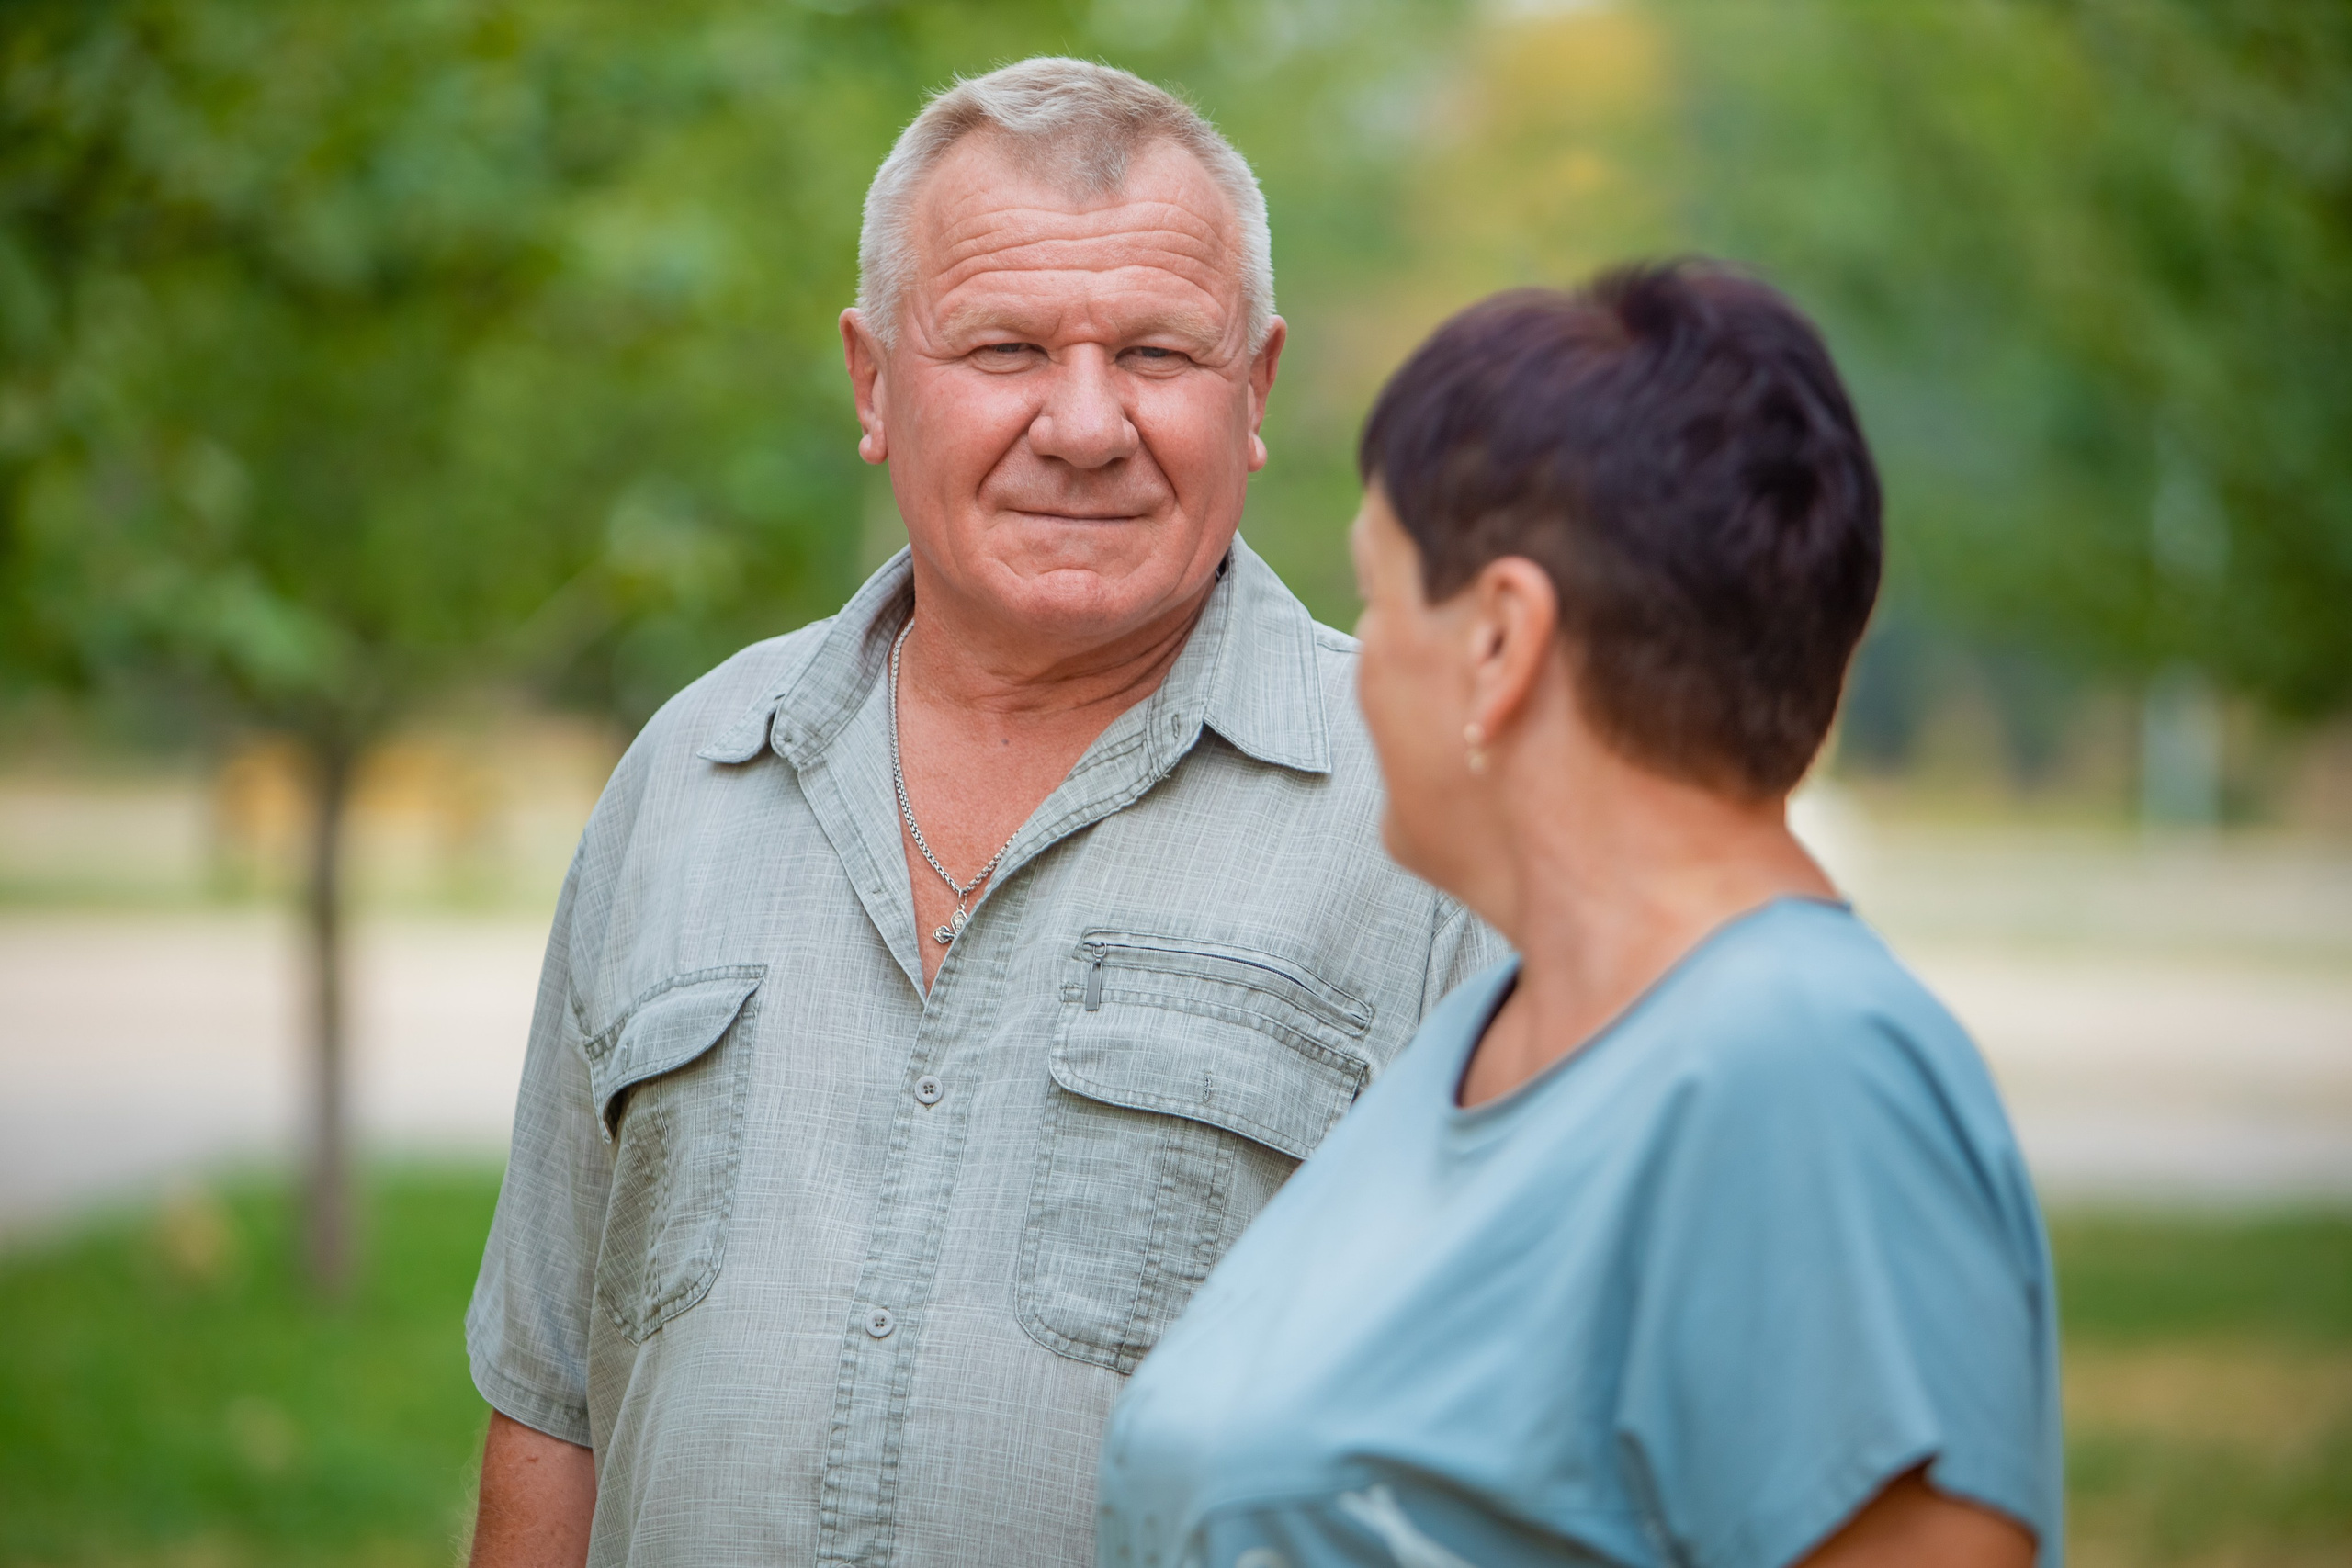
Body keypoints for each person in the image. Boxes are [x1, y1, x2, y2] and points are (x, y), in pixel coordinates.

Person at [462, 57, 1503, 1568]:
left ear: (1257, 391)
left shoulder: (1441, 821)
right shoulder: (686, 777)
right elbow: (553, 1400)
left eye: (1156, 352)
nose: (1085, 425)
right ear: (874, 381)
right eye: (1007, 347)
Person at [1098, 265, 2064, 1568]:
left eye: (1379, 600)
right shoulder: (1496, 1030)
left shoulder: (1806, 1074)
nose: (1358, 660)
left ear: (1500, 642)